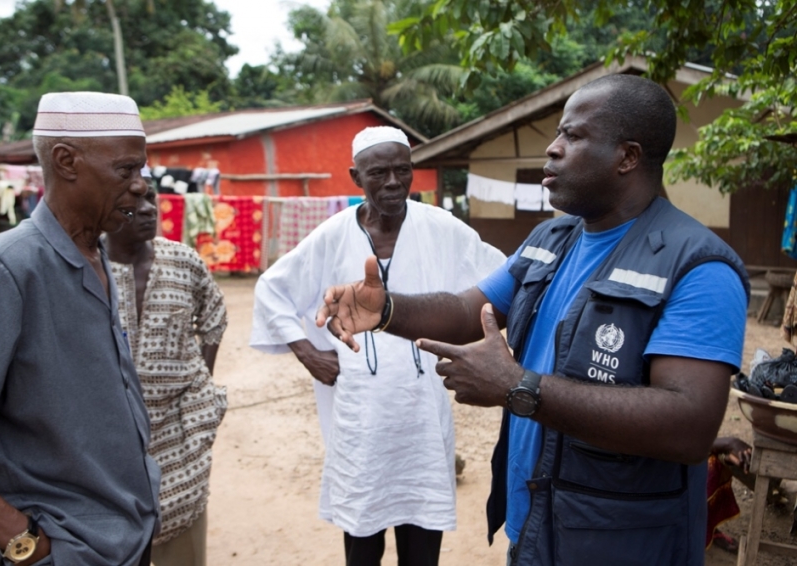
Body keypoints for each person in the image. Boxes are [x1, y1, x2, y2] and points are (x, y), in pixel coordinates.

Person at [315, 75, 750, 565]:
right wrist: (387, 309)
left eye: (574, 136)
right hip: (537, 521)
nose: (553, 148)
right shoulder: (551, 241)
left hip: (621, 541)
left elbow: (688, 426)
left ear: (627, 157)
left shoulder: (698, 268)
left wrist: (520, 387)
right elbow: (467, 310)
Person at [250, 126, 505, 566]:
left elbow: (500, 280)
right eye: (378, 172)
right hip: (360, 412)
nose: (392, 183)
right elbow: (272, 288)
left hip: (423, 408)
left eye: (402, 171)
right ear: (355, 178)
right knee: (362, 537)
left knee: (422, 536)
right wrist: (307, 352)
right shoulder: (332, 234)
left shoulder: (442, 228)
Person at [0, 92, 160, 565]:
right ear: (66, 161)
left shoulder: (96, 256)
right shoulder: (8, 268)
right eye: (126, 170)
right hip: (66, 551)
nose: (141, 186)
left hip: (127, 540)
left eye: (141, 170)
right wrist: (27, 546)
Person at [105, 168, 228, 566]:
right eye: (132, 204)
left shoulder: (184, 260)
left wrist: (202, 382)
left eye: (151, 200)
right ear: (105, 210)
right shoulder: (86, 265)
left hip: (180, 428)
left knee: (184, 541)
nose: (146, 210)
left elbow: (214, 316)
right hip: (109, 439)